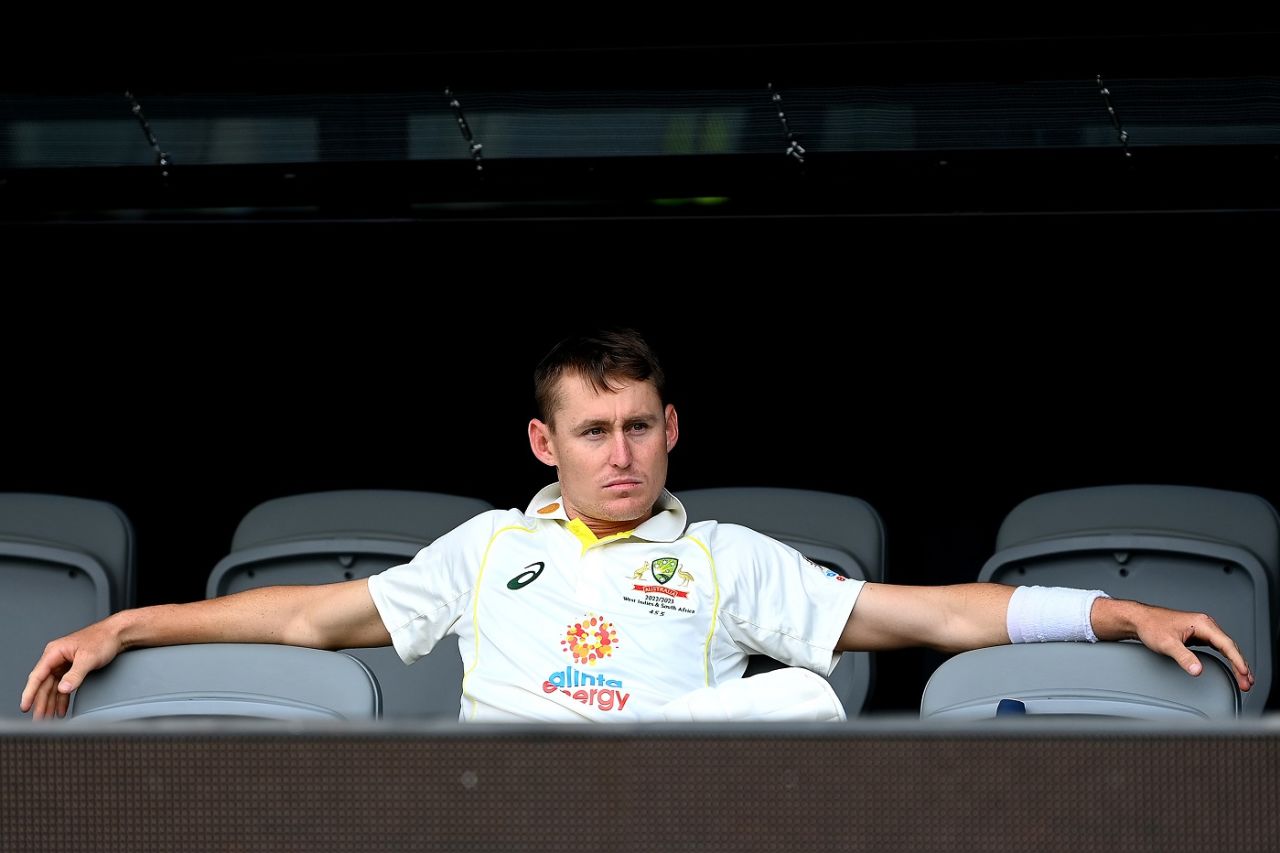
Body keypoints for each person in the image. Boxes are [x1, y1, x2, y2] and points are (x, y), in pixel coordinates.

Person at [21, 329, 1254, 721]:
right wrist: (127, 621)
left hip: (674, 815)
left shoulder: (725, 557)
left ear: (672, 430)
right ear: (541, 445)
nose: (619, 452)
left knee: (809, 698)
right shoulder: (486, 546)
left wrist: (1111, 609)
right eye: (592, 430)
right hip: (494, 816)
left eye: (638, 427)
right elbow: (298, 615)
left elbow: (932, 612)